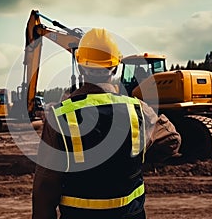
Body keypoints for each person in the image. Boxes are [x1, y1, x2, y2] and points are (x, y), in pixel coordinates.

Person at [32, 28, 181, 219]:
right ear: (116, 67)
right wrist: (139, 157)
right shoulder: (140, 111)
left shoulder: (60, 116)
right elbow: (172, 140)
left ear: (80, 67)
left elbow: (45, 187)